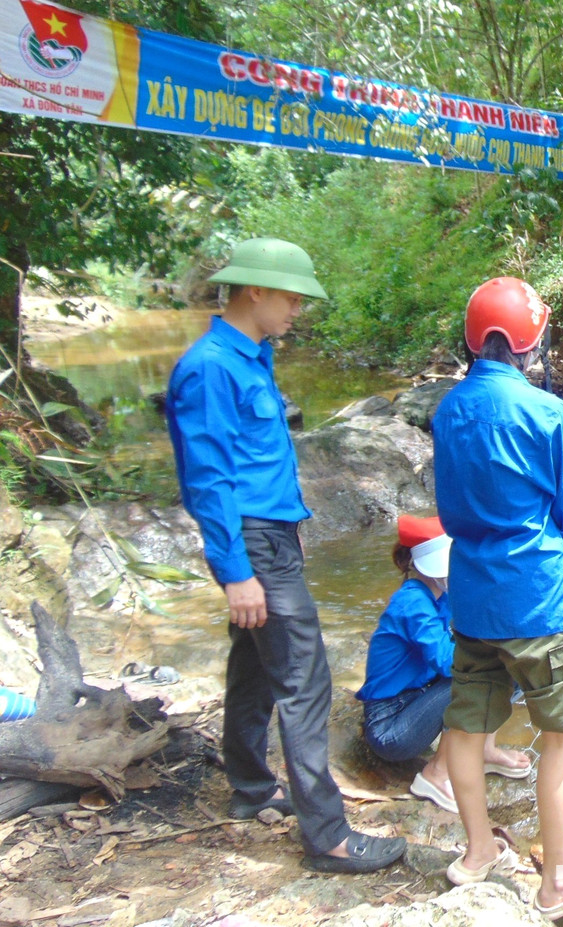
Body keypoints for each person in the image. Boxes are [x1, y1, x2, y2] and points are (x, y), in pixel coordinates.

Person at [167, 238, 406, 873]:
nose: (297, 310)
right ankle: (327, 836)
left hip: (271, 535)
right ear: (255, 291)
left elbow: (259, 459)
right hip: (251, 545)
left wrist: (289, 524)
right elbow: (207, 480)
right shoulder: (211, 367)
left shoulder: (253, 355)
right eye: (292, 298)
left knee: (254, 664)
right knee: (305, 676)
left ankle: (250, 787)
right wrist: (236, 571)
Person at [431, 276, 563, 918]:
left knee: (465, 726)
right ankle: (557, 884)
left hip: (473, 600)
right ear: (530, 342)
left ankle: (478, 850)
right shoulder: (549, 414)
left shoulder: (448, 410)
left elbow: (449, 507)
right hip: (541, 601)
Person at [356, 515, 531, 816]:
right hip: (390, 725)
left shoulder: (442, 595)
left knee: (507, 671)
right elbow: (445, 659)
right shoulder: (412, 603)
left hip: (417, 700)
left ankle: (485, 752)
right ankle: (435, 774)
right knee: (475, 678)